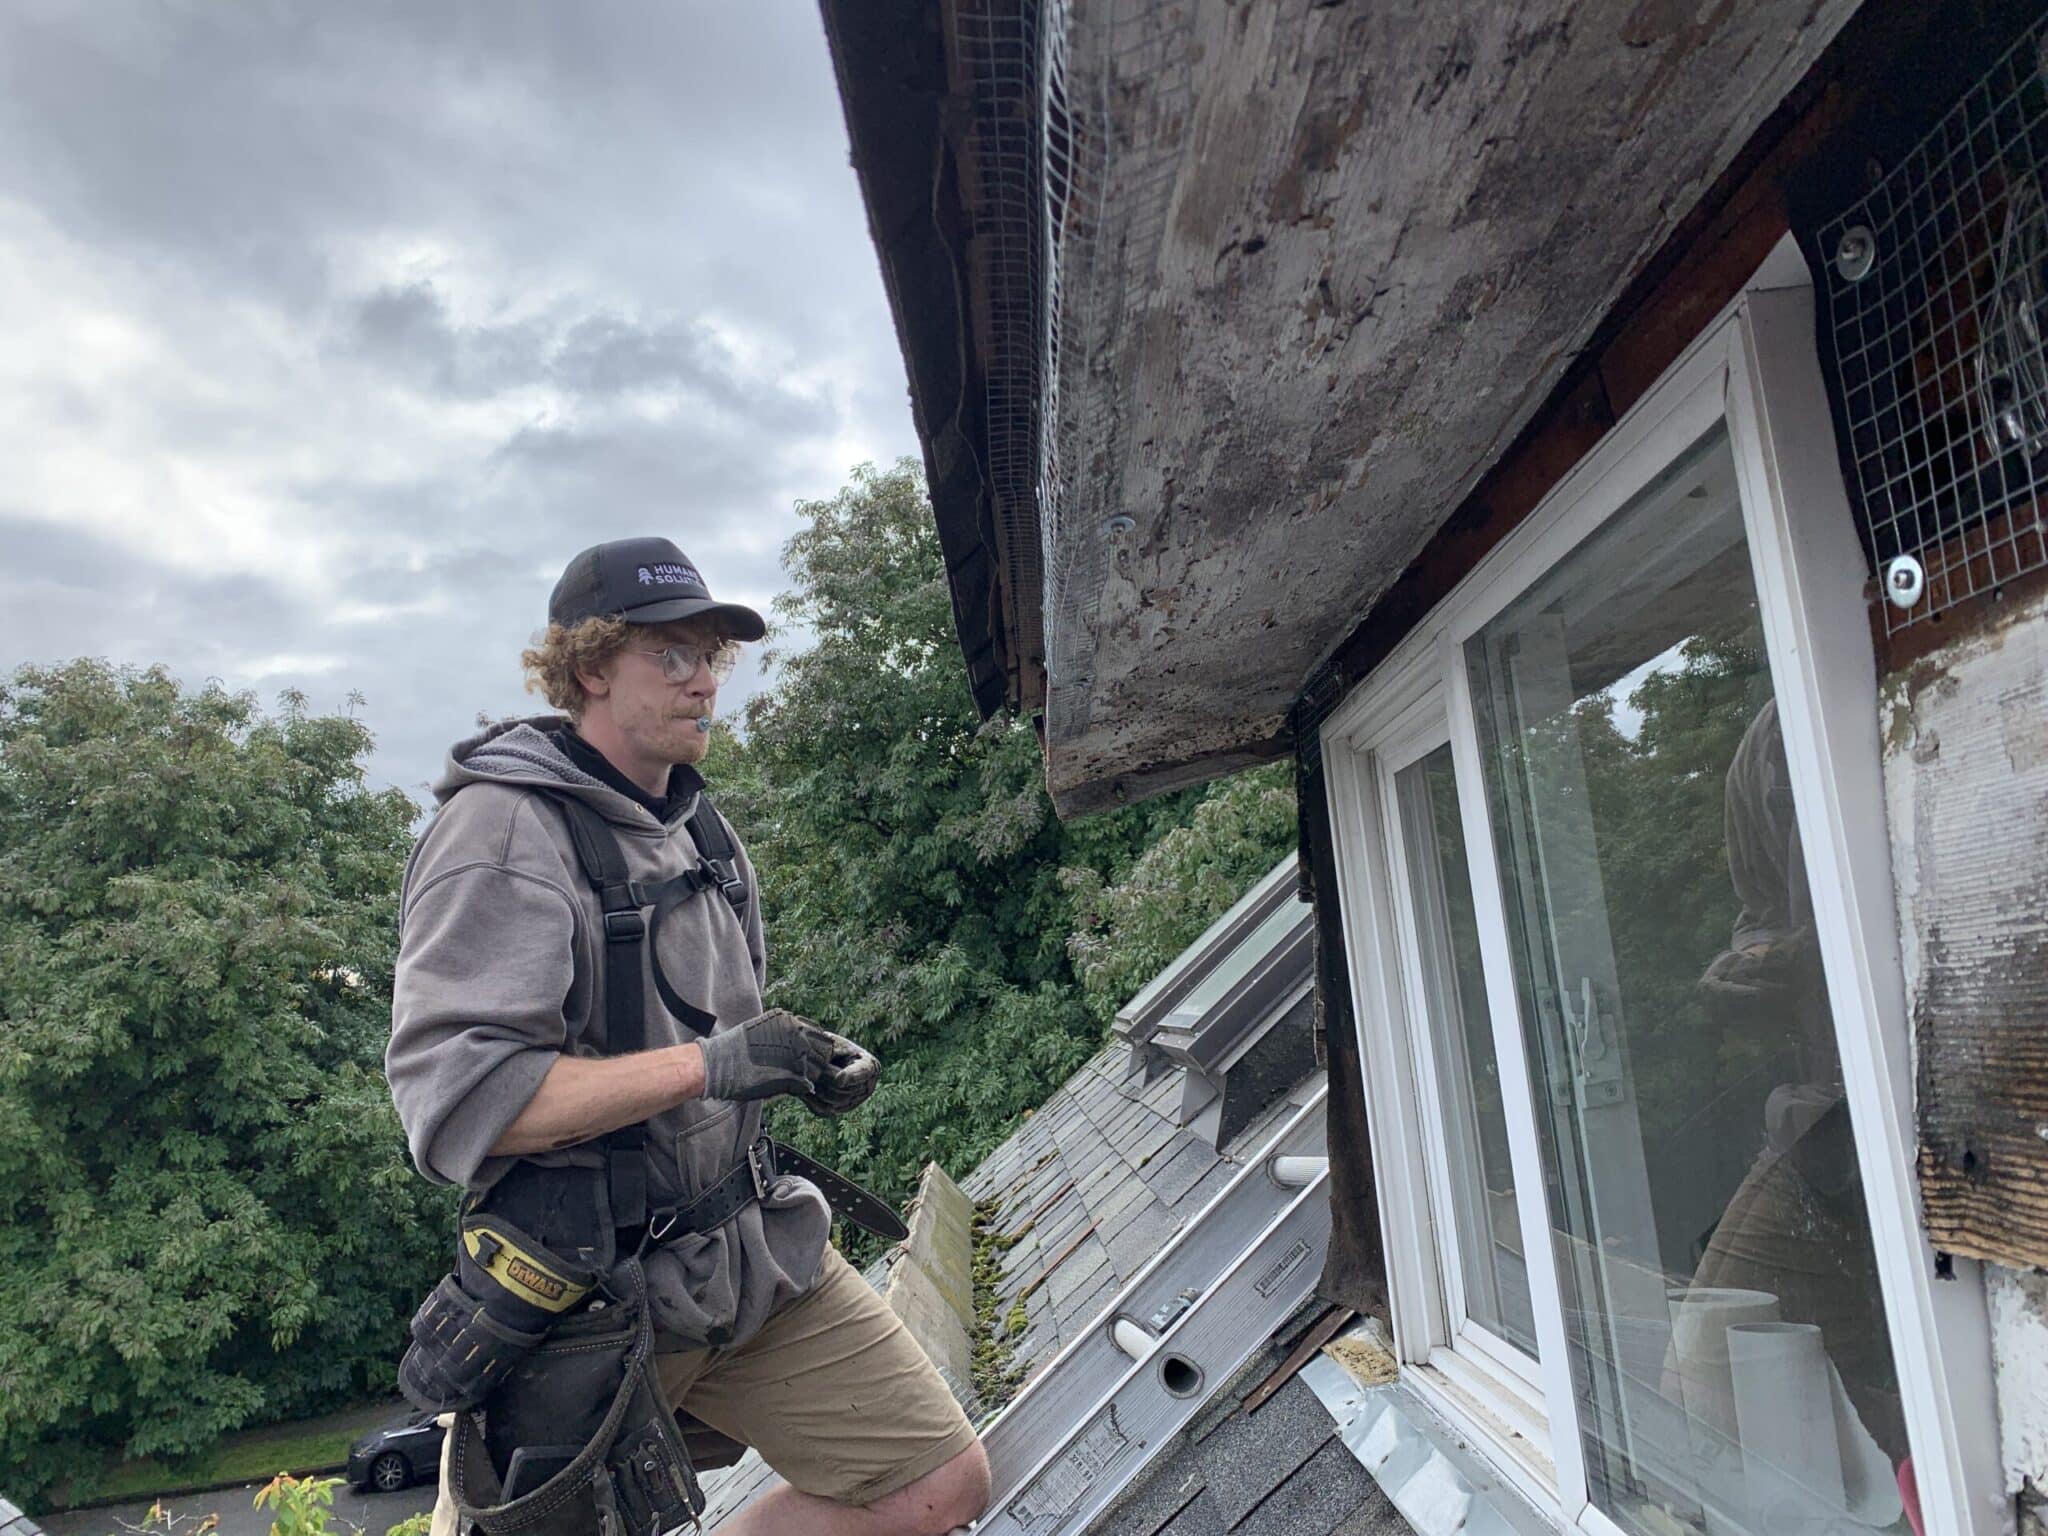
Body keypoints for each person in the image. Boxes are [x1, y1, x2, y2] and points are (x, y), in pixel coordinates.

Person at [386, 537, 990, 1536]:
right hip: (585, 1298)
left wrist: (790, 1064)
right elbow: (463, 1108)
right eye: (671, 656)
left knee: (938, 1485)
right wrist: (715, 1067)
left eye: (712, 656)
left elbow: (722, 1040)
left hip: (754, 1254)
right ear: (587, 666)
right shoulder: (502, 834)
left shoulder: (702, 832)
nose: (704, 683)